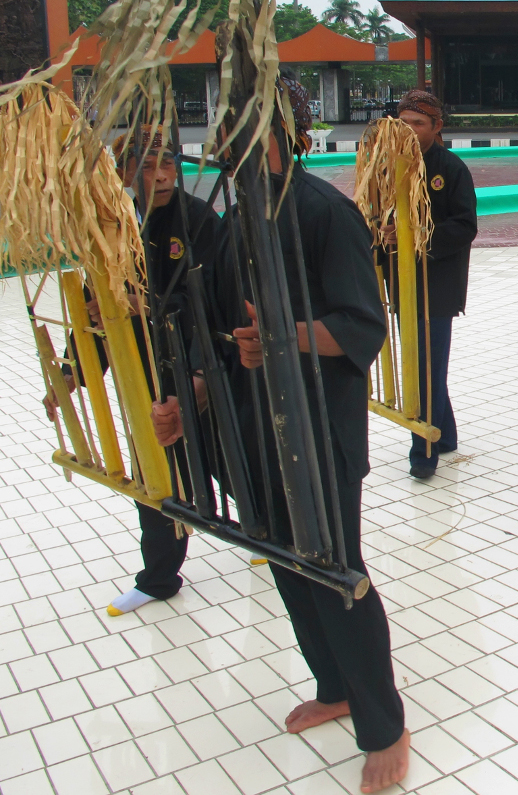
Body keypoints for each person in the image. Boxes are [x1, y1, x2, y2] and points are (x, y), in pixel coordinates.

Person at [151, 83, 410, 793]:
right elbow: (226, 335)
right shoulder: (241, 218)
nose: (219, 143)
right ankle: (336, 685)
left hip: (319, 426)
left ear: (270, 131)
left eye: (231, 127)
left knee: (333, 565)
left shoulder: (327, 213)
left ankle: (385, 723)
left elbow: (363, 326)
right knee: (286, 562)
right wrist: (192, 394)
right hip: (256, 423)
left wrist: (286, 337)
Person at [45, 128, 221, 617]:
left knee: (234, 457)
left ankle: (270, 539)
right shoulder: (114, 228)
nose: (162, 175)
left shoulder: (199, 220)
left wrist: (151, 307)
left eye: (168, 163)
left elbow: (217, 297)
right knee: (154, 471)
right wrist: (71, 375)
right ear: (122, 173)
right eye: (146, 167)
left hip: (202, 371)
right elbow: (98, 313)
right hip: (147, 375)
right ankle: (160, 576)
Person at [385, 91, 478, 480]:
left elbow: (465, 226)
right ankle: (446, 436)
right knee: (425, 364)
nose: (409, 130)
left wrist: (415, 236)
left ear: (437, 127)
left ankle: (422, 450)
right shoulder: (390, 166)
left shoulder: (452, 169)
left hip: (437, 286)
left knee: (425, 367)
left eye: (418, 123)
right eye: (403, 122)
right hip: (401, 283)